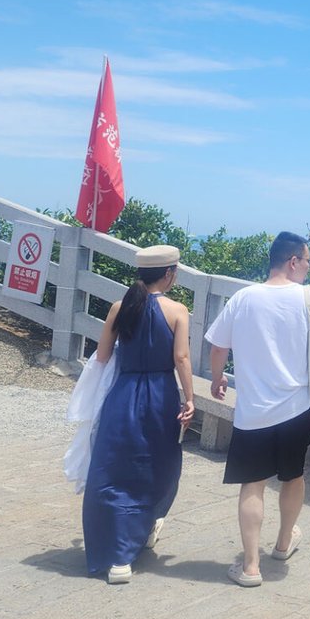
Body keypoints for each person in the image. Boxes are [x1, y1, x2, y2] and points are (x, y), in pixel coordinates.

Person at [205, 232, 310, 588]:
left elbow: (218, 347)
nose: (308, 268)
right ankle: (282, 543)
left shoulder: (243, 298)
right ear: (293, 261)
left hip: (254, 411)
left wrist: (218, 379)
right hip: (298, 407)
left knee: (253, 483)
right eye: (307, 261)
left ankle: (250, 566)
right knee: (293, 476)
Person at [81, 244, 195, 584]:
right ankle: (135, 540)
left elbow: (102, 356)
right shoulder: (178, 310)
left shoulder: (121, 307)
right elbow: (182, 359)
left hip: (123, 393)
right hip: (160, 395)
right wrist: (190, 398)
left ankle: (118, 552)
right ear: (170, 273)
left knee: (116, 467)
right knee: (158, 465)